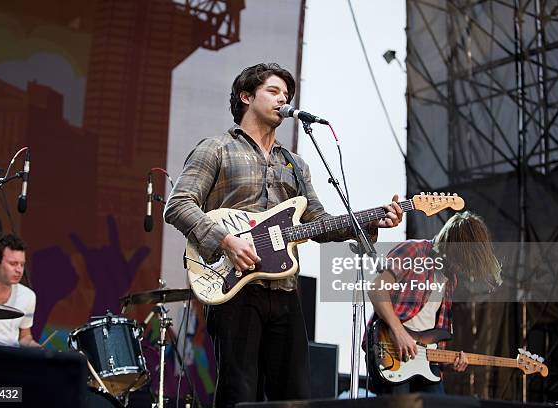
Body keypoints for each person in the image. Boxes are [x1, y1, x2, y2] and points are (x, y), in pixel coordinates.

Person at [164, 62, 404, 405]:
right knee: (239, 394)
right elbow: (178, 204)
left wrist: (370, 221)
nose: (283, 99)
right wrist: (226, 240)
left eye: (286, 94)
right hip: (234, 289)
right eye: (273, 91)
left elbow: (319, 221)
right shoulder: (215, 148)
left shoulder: (295, 163)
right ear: (246, 96)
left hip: (285, 290)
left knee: (294, 396)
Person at [366, 211, 502, 394]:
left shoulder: (450, 279)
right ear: (451, 244)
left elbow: (432, 330)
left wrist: (449, 362)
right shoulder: (413, 251)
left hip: (424, 362)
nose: (460, 267)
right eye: (459, 260)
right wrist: (399, 332)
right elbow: (376, 289)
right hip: (391, 351)